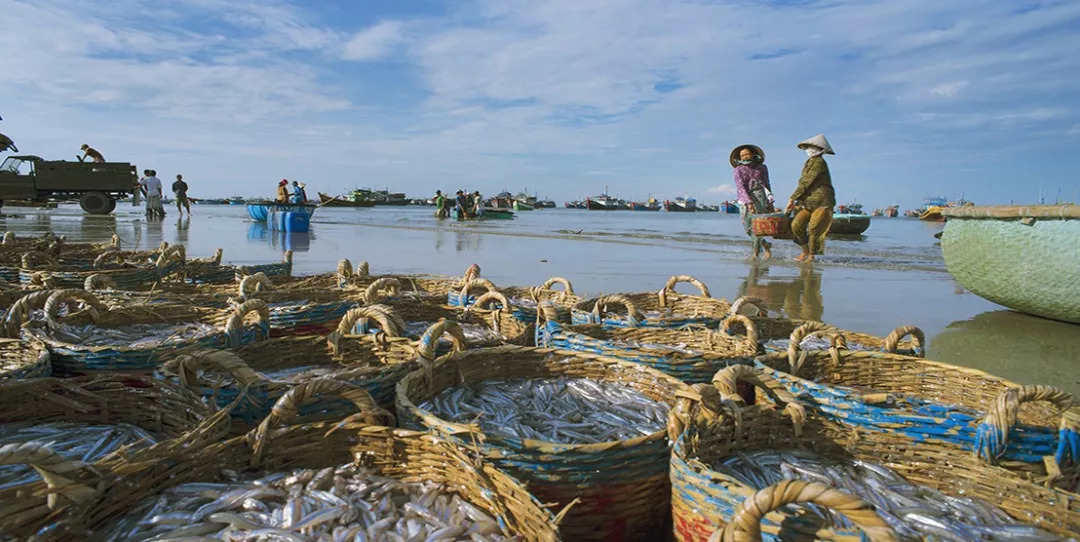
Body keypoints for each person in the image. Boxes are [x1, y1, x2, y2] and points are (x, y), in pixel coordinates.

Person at [786, 134, 836, 263]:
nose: (809, 149)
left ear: (820, 149)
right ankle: (805, 251)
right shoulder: (809, 162)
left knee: (814, 229)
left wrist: (792, 199)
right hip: (808, 201)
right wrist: (797, 200)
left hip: (823, 201)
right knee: (796, 225)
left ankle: (811, 256)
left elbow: (807, 182)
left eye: (812, 147)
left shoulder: (819, 162)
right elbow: (803, 183)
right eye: (808, 147)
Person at [731, 144, 774, 260]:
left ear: (754, 154)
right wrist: (749, 203)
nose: (745, 157)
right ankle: (765, 245)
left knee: (757, 228)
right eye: (742, 155)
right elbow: (740, 187)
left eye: (747, 154)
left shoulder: (762, 168)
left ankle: (755, 254)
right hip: (744, 200)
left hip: (760, 199)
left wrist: (770, 201)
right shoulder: (738, 170)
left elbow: (766, 184)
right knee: (748, 229)